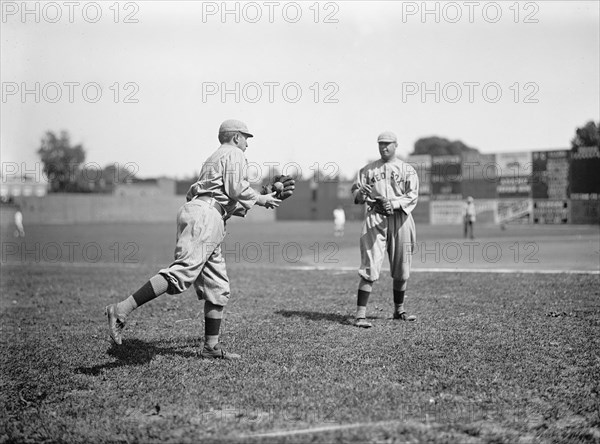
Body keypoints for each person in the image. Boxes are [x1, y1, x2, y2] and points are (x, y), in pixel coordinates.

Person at [105, 119, 281, 359]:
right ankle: (122, 309)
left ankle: (211, 347)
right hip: (206, 217)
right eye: (246, 138)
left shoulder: (214, 157)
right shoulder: (234, 153)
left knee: (217, 287)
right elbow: (236, 188)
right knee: (182, 273)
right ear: (236, 137)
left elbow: (224, 196)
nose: (248, 144)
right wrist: (261, 199)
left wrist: (262, 195)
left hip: (206, 214)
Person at [350, 131, 419, 328]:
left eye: (388, 144)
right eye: (380, 144)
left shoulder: (407, 169)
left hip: (401, 218)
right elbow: (355, 194)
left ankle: (399, 310)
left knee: (402, 267)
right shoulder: (368, 169)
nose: (384, 147)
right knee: (369, 265)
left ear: (396, 145)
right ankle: (360, 315)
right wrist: (360, 193)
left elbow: (412, 195)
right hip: (375, 216)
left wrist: (395, 204)